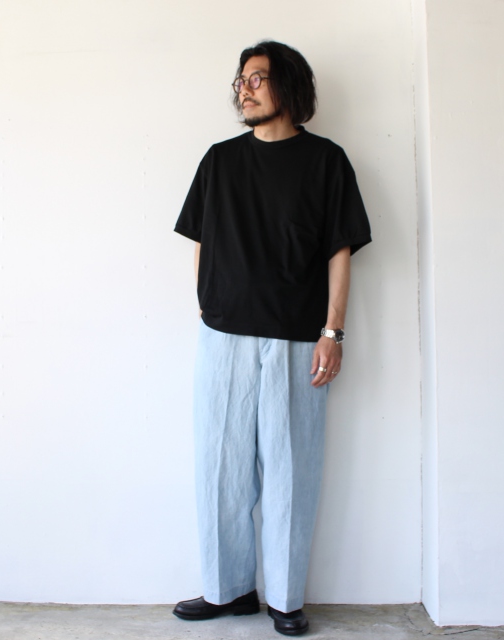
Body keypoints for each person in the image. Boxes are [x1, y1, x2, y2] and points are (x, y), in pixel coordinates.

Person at [172, 41, 372, 636]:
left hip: (296, 338)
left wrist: (333, 330)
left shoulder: (326, 161)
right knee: (220, 467)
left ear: (289, 84)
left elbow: (340, 250)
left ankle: (285, 599)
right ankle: (227, 590)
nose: (245, 89)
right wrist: (207, 303)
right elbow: (201, 238)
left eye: (257, 78)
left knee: (291, 469)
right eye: (241, 81)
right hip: (223, 335)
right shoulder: (219, 161)